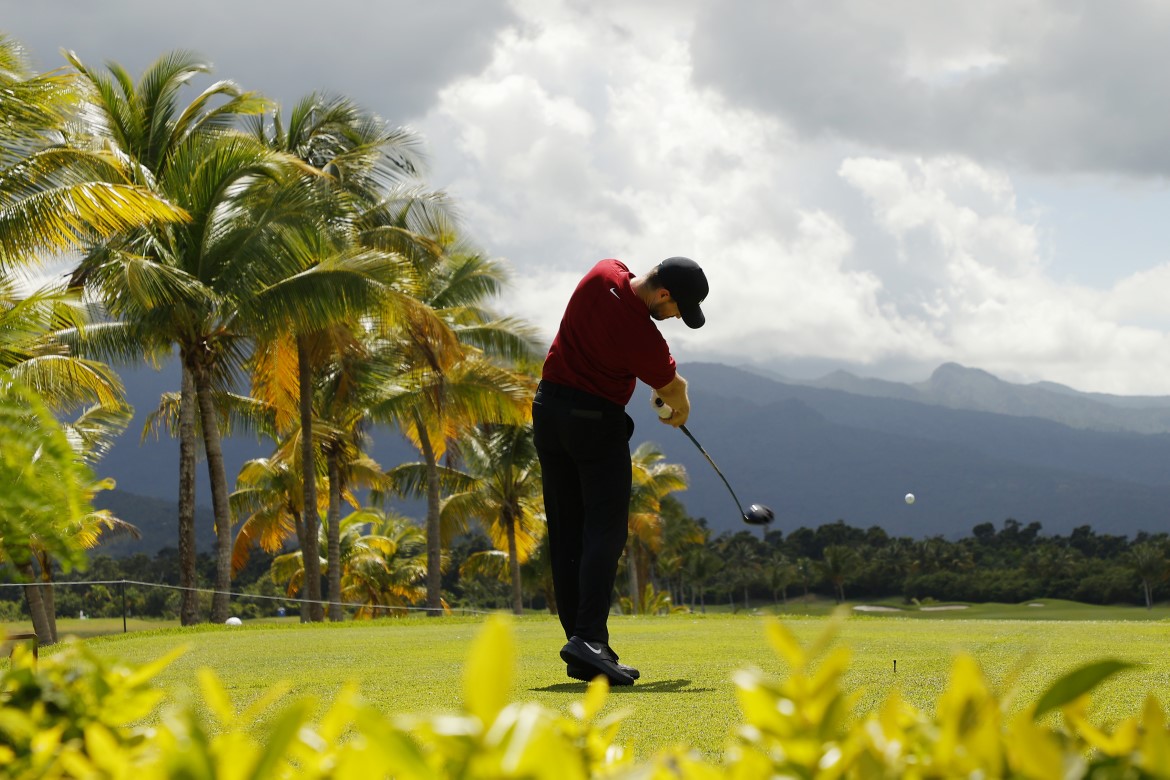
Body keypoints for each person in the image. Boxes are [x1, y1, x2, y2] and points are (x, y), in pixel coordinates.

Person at [532, 256, 708, 686]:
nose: (673, 319)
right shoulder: (643, 337)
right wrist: (678, 412)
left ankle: (583, 648)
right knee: (604, 533)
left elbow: (620, 297)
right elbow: (674, 390)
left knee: (567, 532)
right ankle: (589, 639)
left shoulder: (603, 271)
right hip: (594, 425)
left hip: (548, 412)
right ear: (663, 295)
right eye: (676, 311)